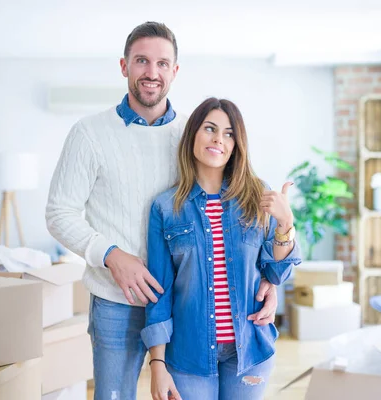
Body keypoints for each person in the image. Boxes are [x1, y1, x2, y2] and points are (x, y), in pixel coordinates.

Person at [45, 22, 279, 400]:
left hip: (188, 307)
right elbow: (59, 213)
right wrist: (110, 255)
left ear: (175, 71)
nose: (151, 72)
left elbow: (246, 210)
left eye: (162, 63)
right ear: (124, 66)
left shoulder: (196, 135)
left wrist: (268, 282)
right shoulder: (90, 133)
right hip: (116, 301)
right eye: (141, 61)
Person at [141, 97, 301, 400]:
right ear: (193, 136)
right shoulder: (165, 207)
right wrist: (157, 364)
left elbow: (276, 273)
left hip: (250, 351)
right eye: (210, 129)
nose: (219, 139)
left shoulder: (257, 194)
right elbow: (159, 291)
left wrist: (285, 223)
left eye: (229, 133)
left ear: (237, 143)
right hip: (188, 355)